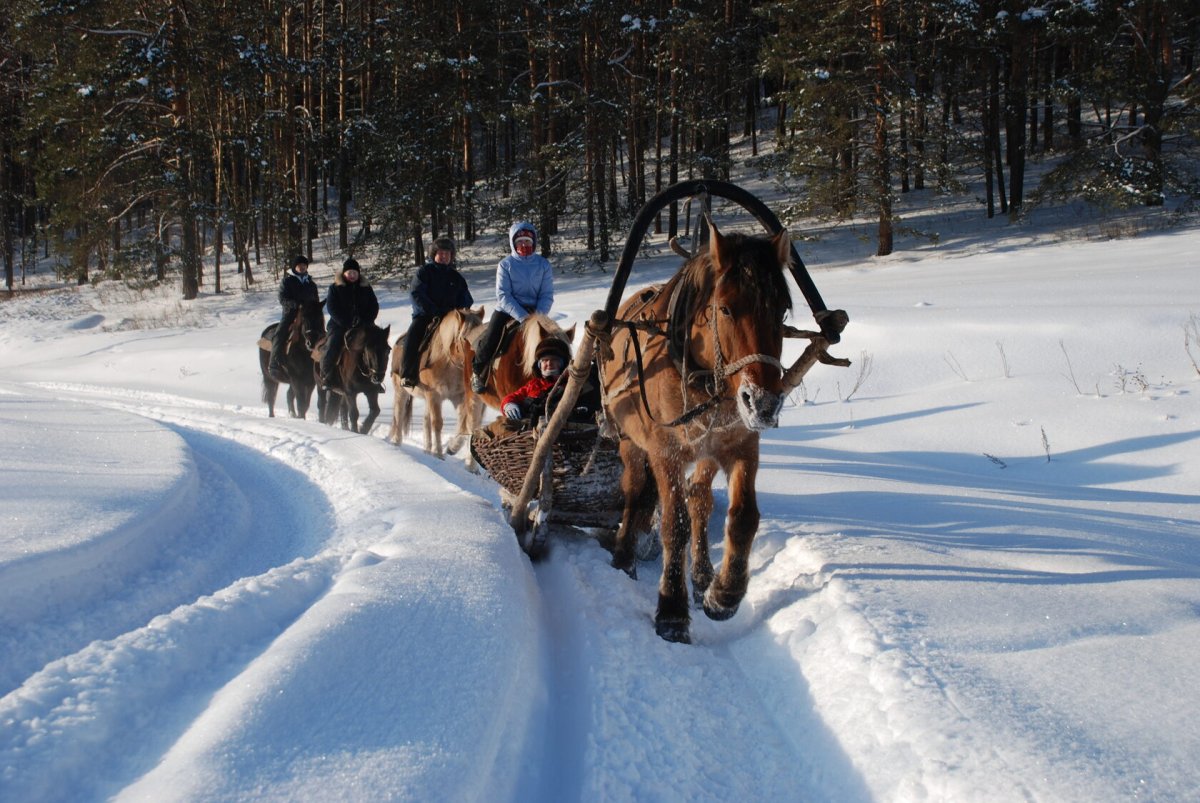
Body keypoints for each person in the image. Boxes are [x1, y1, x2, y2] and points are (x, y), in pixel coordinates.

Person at [470, 221, 554, 393]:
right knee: (491, 338)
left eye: (528, 241)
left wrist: (537, 315)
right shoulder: (505, 264)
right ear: (513, 243)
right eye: (520, 242)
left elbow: (546, 295)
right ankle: (478, 372)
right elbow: (503, 295)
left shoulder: (543, 264)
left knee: (555, 338)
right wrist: (523, 317)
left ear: (534, 242)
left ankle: (561, 372)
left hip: (536, 311)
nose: (524, 245)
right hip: (507, 310)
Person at [399, 237, 473, 388]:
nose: (444, 256)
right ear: (434, 254)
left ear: (451, 256)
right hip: (426, 316)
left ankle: (473, 373)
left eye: (447, 253)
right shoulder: (424, 272)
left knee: (470, 336)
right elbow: (417, 294)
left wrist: (457, 311)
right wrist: (434, 311)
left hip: (452, 319)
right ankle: (407, 374)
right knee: (413, 336)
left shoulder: (456, 277)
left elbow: (466, 299)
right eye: (441, 253)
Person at [321, 257, 381, 391]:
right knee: (333, 345)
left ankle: (375, 375)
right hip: (339, 324)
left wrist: (366, 320)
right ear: (344, 273)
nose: (352, 275)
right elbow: (332, 308)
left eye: (355, 272)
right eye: (349, 272)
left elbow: (374, 305)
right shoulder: (335, 288)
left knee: (377, 344)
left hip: (363, 324)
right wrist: (346, 322)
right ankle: (327, 376)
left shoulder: (365, 287)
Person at [268, 254, 319, 382]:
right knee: (280, 333)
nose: (301, 268)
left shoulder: (311, 283)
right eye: (299, 266)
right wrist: (295, 304)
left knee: (319, 331)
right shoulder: (287, 281)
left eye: (304, 266)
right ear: (294, 267)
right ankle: (274, 363)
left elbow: (315, 299)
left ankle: (321, 363)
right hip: (291, 313)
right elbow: (282, 298)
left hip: (308, 314)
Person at [499, 338, 571, 423]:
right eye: (545, 360)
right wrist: (508, 404)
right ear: (539, 365)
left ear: (563, 363)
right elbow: (514, 396)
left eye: (554, 360)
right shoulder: (534, 384)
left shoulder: (570, 383)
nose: (549, 363)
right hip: (527, 427)